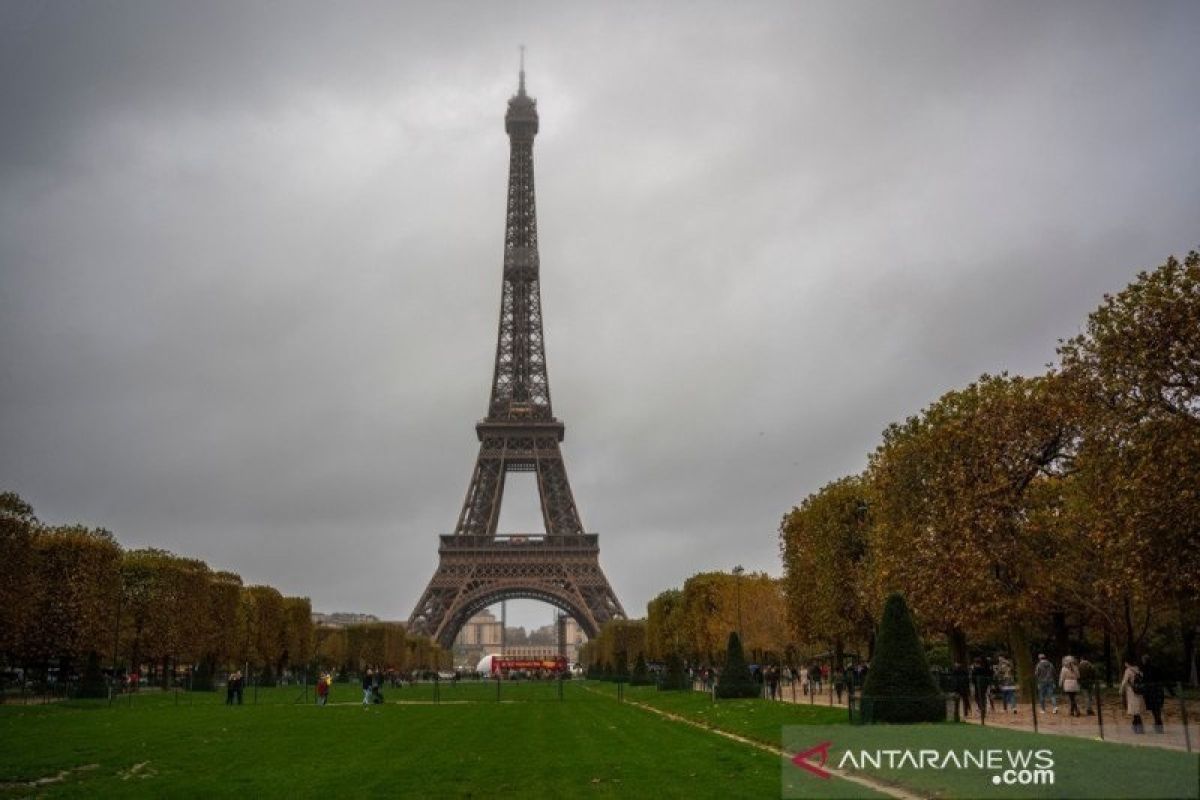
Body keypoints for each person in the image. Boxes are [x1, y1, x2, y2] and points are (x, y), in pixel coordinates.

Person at [1140, 654, 1172, 733]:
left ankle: (1158, 725)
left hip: (1151, 692)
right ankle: (1158, 724)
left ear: (1145, 661)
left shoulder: (1145, 670)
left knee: (1155, 710)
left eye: (1143, 660)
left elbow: (1144, 681)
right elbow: (1163, 679)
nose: (1142, 662)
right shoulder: (1156, 668)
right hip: (1158, 691)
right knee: (1157, 709)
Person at [1119, 657, 1145, 733]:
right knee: (1137, 710)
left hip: (1132, 692)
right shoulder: (1138, 670)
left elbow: (1124, 681)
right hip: (1139, 691)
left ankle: (1138, 727)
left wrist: (1121, 690)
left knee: (1135, 711)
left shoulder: (1128, 670)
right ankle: (1136, 726)